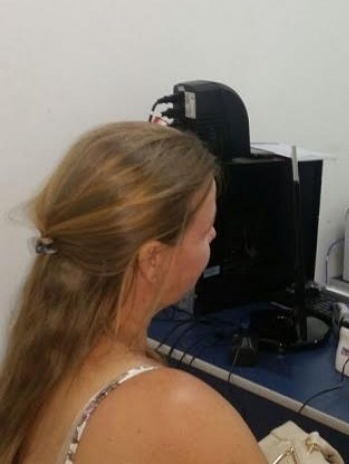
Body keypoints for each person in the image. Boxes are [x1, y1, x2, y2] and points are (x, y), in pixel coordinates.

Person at [0, 122, 266, 463]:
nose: (214, 235)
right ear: (153, 259)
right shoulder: (180, 414)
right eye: (205, 231)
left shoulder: (39, 365)